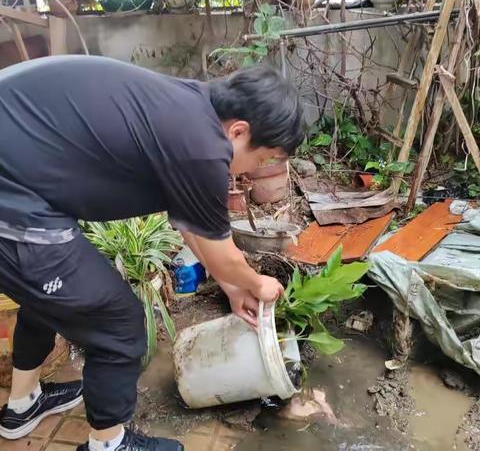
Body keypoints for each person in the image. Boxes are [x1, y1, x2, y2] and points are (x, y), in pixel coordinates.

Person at [0, 55, 304, 451]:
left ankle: (23, 405)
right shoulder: (202, 146)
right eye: (262, 159)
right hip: (13, 202)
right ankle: (108, 445)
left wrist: (232, 287)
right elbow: (224, 252)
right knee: (118, 321)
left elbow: (192, 224)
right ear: (239, 131)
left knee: (50, 297)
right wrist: (256, 283)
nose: (250, 172)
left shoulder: (189, 112)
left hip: (20, 184)